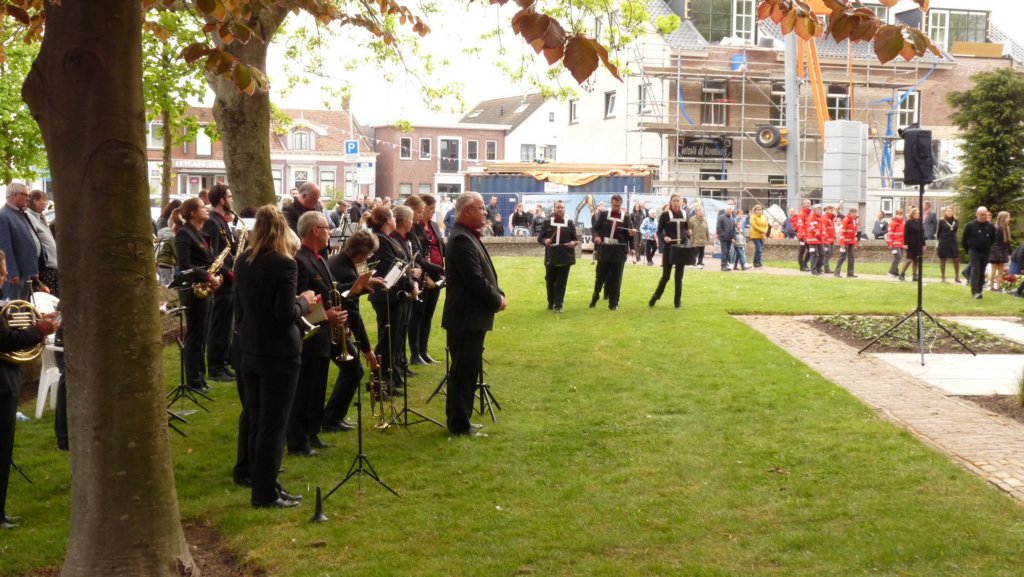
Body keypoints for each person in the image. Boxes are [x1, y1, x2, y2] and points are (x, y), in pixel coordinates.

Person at [234, 205, 316, 508]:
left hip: (250, 349)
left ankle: (265, 484)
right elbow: (284, 314)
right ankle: (265, 494)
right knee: (273, 425)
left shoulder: (243, 260)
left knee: (257, 421)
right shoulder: (284, 264)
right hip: (278, 354)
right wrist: (304, 302)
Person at [0, 249, 59, 529]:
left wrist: (36, 322)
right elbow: (8, 339)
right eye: (1, 272)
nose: (4, 277)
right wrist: (40, 330)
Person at [442, 192, 505, 437]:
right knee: (463, 371)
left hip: (470, 316)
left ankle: (462, 419)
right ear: (467, 210)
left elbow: (485, 273)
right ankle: (458, 424)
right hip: (465, 317)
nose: (485, 212)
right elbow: (475, 280)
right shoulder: (461, 239)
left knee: (468, 370)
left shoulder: (467, 236)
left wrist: (499, 293)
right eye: (480, 208)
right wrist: (496, 300)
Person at [287, 211, 348, 457]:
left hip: (324, 334)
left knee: (317, 388)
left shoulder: (320, 257)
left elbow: (329, 290)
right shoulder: (300, 260)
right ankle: (298, 440)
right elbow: (299, 303)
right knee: (304, 389)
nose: (329, 231)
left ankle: (312, 433)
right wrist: (327, 316)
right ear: (315, 230)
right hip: (310, 336)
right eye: (326, 227)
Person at [323, 230, 383, 431]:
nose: (367, 259)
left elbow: (349, 287)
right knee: (353, 370)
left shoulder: (344, 261)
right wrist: (367, 349)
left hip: (335, 324)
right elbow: (353, 312)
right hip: (331, 327)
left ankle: (332, 417)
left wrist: (367, 284)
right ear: (360, 253)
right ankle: (331, 419)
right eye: (367, 255)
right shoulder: (345, 269)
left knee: (352, 370)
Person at [367, 206, 418, 393]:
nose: (395, 220)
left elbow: (404, 266)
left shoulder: (388, 238)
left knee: (395, 340)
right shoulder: (380, 239)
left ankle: (391, 378)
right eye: (393, 217)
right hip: (386, 295)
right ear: (388, 220)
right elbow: (391, 267)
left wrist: (412, 282)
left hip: (396, 295)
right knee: (386, 340)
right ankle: (380, 382)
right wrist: (410, 285)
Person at [175, 198, 220, 391]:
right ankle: (193, 379)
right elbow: (185, 265)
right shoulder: (184, 234)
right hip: (193, 290)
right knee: (195, 335)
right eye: (203, 207)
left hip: (205, 288)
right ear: (193, 212)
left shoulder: (200, 234)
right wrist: (208, 275)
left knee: (203, 334)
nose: (207, 209)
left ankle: (200, 377)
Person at [202, 184, 236, 382]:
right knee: (218, 326)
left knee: (227, 325)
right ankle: (215, 367)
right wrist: (227, 272)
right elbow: (212, 255)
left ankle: (224, 362)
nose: (232, 200)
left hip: (229, 281)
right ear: (222, 201)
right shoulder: (212, 223)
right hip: (222, 281)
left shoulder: (222, 221)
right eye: (229, 197)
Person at [410, 194, 446, 364]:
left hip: (436, 276)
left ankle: (424, 351)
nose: (433, 212)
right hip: (424, 277)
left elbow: (440, 246)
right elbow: (416, 256)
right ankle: (415, 353)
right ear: (422, 208)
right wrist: (427, 276)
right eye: (430, 209)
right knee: (418, 314)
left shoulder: (433, 225)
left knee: (428, 315)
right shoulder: (414, 228)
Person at [590, 194, 633, 310]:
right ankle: (595, 296)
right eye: (614, 205)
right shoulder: (604, 215)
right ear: (611, 203)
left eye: (618, 206)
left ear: (621, 205)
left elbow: (630, 234)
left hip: (619, 251)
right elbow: (595, 228)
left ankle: (614, 303)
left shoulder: (626, 217)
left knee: (617, 278)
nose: (616, 208)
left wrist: (632, 247)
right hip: (605, 249)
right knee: (600, 276)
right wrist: (596, 237)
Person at [0, 183, 40, 301]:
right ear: (14, 195)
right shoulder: (3, 216)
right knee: (14, 309)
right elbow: (4, 247)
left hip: (25, 272)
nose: (28, 198)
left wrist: (33, 269)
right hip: (15, 275)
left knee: (22, 308)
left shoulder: (20, 214)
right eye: (25, 195)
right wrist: (12, 272)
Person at [539, 200, 577, 313]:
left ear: (564, 209)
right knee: (550, 281)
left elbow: (574, 238)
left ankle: (559, 305)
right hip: (551, 256)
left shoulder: (569, 222)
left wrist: (574, 242)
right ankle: (551, 302)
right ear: (554, 209)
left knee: (561, 282)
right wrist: (545, 240)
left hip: (565, 256)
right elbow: (540, 238)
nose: (560, 209)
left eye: (562, 207)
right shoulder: (547, 222)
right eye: (558, 207)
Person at [27, 190, 58, 296]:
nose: (46, 203)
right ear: (35, 201)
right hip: (45, 266)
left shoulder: (40, 216)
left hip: (52, 265)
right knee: (46, 297)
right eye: (44, 200)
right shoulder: (29, 217)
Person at [962, 206, 996, 300]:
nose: (984, 216)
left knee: (982, 271)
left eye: (985, 214)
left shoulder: (990, 226)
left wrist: (987, 245)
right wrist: (968, 249)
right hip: (974, 251)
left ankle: (979, 291)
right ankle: (974, 292)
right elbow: (964, 239)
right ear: (977, 214)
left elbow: (993, 239)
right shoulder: (971, 225)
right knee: (975, 270)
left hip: (985, 252)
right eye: (981, 215)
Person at [989, 211, 1012, 291]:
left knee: (1001, 270)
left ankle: (998, 287)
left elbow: (1007, 242)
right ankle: (992, 286)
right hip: (996, 251)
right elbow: (994, 242)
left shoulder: (1006, 227)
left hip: (1001, 251)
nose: (1009, 219)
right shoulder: (997, 227)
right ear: (1003, 218)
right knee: (994, 269)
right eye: (1008, 217)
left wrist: (1009, 252)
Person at [936, 206, 960, 283]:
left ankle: (957, 276)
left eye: (951, 211)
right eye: (948, 211)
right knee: (943, 259)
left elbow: (955, 230)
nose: (950, 212)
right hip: (944, 242)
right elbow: (938, 232)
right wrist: (939, 241)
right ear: (945, 212)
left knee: (956, 259)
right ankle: (943, 277)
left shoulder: (956, 220)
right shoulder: (942, 221)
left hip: (953, 242)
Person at [899, 207, 923, 282]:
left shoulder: (920, 222)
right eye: (916, 213)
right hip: (910, 243)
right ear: (912, 214)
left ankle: (915, 275)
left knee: (916, 260)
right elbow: (905, 234)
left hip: (918, 244)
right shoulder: (909, 222)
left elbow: (922, 233)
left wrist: (924, 244)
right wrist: (905, 243)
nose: (918, 214)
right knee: (909, 259)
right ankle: (902, 273)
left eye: (919, 213)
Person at [833, 207, 859, 278]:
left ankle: (850, 273)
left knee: (852, 257)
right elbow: (842, 233)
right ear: (851, 213)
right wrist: (842, 244)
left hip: (851, 242)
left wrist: (855, 243)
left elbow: (853, 233)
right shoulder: (845, 220)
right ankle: (837, 273)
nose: (856, 215)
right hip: (845, 243)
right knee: (842, 257)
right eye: (855, 213)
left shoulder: (853, 221)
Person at [716, 204, 736, 272]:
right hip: (723, 239)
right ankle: (723, 266)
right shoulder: (721, 217)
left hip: (729, 239)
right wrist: (723, 235)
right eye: (729, 209)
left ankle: (726, 265)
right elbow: (718, 227)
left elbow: (733, 229)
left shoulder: (732, 219)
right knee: (724, 252)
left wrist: (733, 237)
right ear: (726, 210)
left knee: (728, 252)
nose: (730, 211)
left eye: (731, 210)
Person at [805, 205, 823, 275]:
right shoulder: (811, 218)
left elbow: (821, 228)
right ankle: (813, 269)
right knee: (814, 254)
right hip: (813, 240)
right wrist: (819, 235)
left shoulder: (820, 218)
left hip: (819, 239)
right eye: (817, 210)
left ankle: (818, 268)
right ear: (814, 210)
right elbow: (812, 229)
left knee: (822, 253)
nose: (819, 211)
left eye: (820, 210)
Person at [886, 208, 905, 279]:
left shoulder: (903, 223)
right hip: (894, 244)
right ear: (896, 215)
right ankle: (891, 272)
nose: (900, 216)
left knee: (899, 258)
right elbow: (890, 233)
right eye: (898, 214)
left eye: (901, 214)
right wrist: (889, 243)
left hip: (901, 244)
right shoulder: (893, 223)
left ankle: (895, 272)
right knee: (898, 257)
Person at [795, 199, 811, 271]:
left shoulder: (810, 213)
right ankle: (802, 265)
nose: (809, 204)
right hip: (802, 236)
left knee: (810, 250)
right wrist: (804, 236)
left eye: (810, 203)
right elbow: (800, 226)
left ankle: (805, 263)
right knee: (802, 250)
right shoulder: (801, 214)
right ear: (803, 205)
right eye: (807, 203)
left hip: (809, 236)